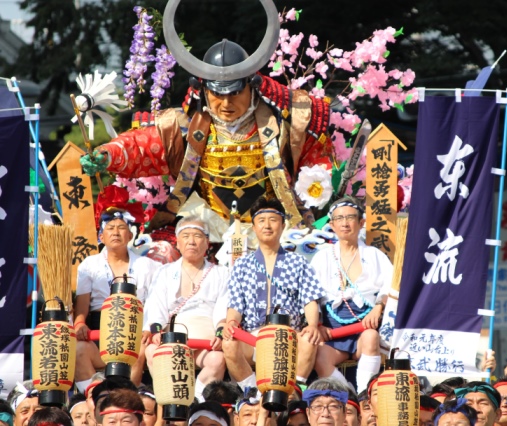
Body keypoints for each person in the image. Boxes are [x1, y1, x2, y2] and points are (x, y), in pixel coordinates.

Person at [80, 35, 333, 234]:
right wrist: (108, 154)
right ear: (203, 91)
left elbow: (317, 160)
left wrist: (317, 183)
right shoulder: (185, 126)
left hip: (274, 227)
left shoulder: (285, 123)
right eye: (217, 94)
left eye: (234, 93)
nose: (225, 103)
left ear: (252, 88)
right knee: (158, 257)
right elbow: (142, 146)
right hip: (204, 229)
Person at [222, 197, 327, 389]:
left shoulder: (298, 262)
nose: (267, 225)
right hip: (252, 335)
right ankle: (251, 392)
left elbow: (310, 300)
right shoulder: (243, 265)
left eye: (273, 220)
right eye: (261, 221)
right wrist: (231, 324)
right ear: (254, 227)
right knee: (229, 343)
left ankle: (295, 391)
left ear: (283, 225)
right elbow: (236, 305)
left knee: (309, 339)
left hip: (288, 335)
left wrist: (312, 325)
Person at [74, 194, 161, 390]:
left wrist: (148, 328)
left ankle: (127, 397)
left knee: (137, 351)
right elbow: (82, 306)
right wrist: (79, 323)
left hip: (135, 330)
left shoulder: (148, 265)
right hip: (100, 331)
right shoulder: (89, 265)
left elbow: (155, 303)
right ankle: (94, 399)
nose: (115, 233)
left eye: (121, 228)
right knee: (79, 349)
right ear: (101, 236)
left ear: (130, 235)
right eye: (110, 228)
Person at [144, 215, 231, 400]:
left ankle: (196, 399)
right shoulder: (165, 272)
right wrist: (156, 330)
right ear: (178, 242)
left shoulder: (221, 273)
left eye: (197, 236)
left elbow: (223, 309)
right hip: (172, 338)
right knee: (151, 351)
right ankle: (169, 397)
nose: (191, 241)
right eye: (186, 236)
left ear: (207, 242)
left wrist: (219, 332)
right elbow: (155, 305)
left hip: (204, 341)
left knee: (217, 360)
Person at [310, 197, 391, 393]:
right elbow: (311, 295)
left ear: (361, 222)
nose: (345, 223)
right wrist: (317, 324)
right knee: (319, 355)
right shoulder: (322, 257)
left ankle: (365, 394)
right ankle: (350, 397)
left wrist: (379, 307)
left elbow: (392, 286)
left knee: (371, 337)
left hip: (365, 325)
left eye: (350, 217)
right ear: (332, 224)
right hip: (332, 329)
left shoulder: (374, 255)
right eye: (339, 218)